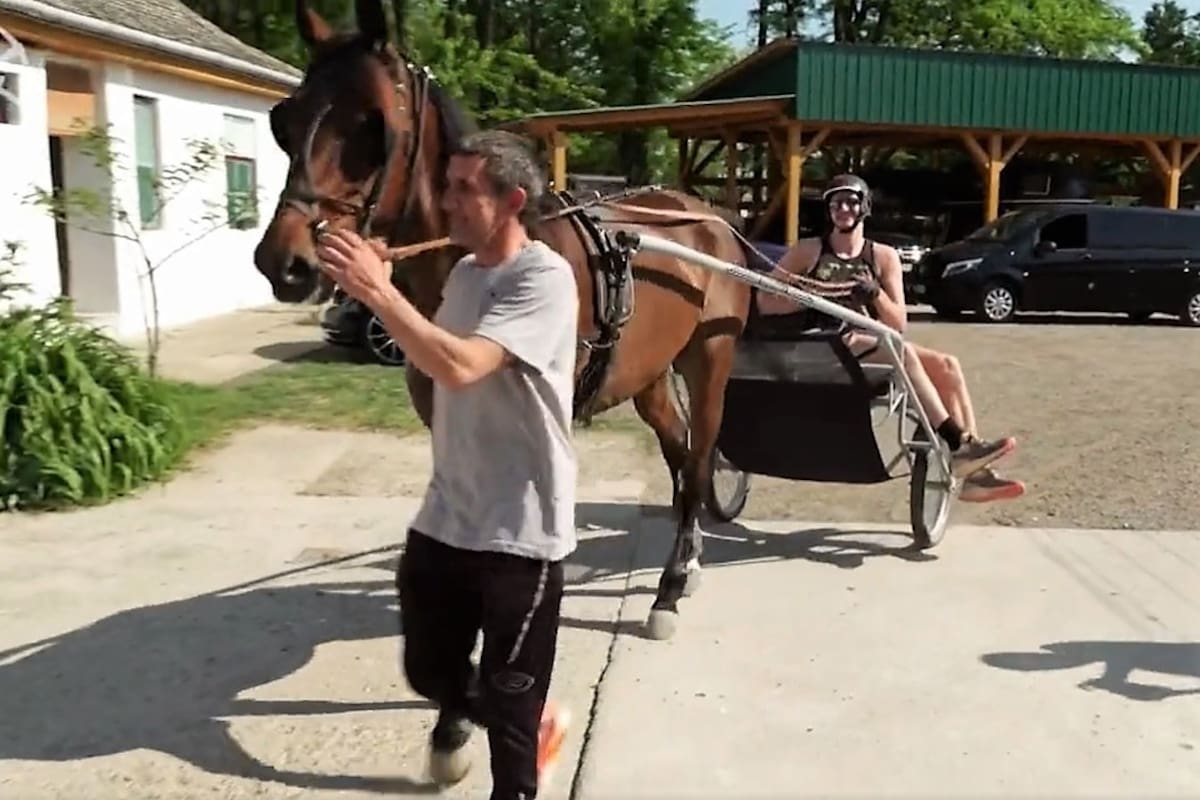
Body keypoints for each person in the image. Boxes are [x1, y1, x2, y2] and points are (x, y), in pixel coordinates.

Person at [314, 129, 577, 799]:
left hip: (522, 535)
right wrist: (373, 278)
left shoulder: (543, 277)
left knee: (511, 737)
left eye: (465, 189)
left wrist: (380, 293)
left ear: (513, 200)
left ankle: (524, 734)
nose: (447, 201)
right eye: (447, 184)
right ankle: (522, 718)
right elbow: (429, 353)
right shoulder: (463, 273)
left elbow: (461, 366)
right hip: (445, 517)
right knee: (430, 674)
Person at [758, 173, 1024, 500]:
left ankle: (972, 471)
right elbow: (765, 301)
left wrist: (875, 296)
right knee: (900, 351)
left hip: (872, 344)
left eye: (851, 202)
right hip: (827, 348)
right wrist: (804, 291)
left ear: (864, 207)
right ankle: (957, 443)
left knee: (948, 366)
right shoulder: (808, 251)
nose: (843, 209)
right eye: (835, 203)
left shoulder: (883, 257)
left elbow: (898, 322)